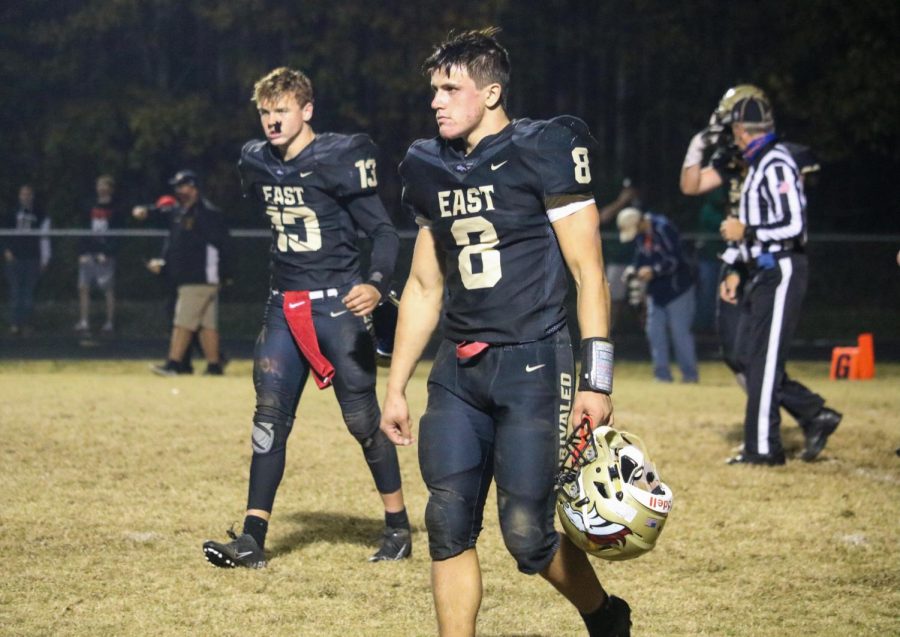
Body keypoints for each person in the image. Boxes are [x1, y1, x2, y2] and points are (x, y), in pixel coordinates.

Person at [380, 29, 631, 637]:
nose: (436, 101)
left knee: (527, 533)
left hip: (534, 364)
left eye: (451, 88)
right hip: (458, 372)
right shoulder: (426, 164)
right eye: (433, 89)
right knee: (446, 523)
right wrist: (396, 386)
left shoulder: (543, 147)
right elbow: (422, 287)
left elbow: (588, 272)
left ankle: (604, 615)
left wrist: (595, 382)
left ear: (491, 93)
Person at [202, 66, 410, 569]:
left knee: (362, 421)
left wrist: (375, 285)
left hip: (338, 304)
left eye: (283, 111)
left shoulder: (341, 157)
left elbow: (384, 233)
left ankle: (398, 526)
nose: (273, 122)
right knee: (268, 420)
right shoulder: (255, 161)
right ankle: (252, 539)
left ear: (307, 110)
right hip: (284, 304)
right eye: (266, 113)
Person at [680, 85, 841, 463]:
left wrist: (745, 234)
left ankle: (764, 448)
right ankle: (793, 426)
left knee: (764, 362)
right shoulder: (756, 162)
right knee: (753, 357)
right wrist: (737, 263)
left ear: (742, 129)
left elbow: (793, 225)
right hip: (758, 267)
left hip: (780, 267)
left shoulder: (776, 162)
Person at [132, 170, 231, 376]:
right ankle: (214, 365)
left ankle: (174, 364)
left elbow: (223, 246)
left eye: (181, 186)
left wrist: (226, 273)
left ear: (193, 187)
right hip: (195, 277)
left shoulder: (206, 214)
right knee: (206, 325)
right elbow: (164, 216)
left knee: (182, 323)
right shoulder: (182, 211)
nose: (177, 190)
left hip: (199, 277)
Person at [617, 207, 699, 383]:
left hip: (678, 290)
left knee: (680, 334)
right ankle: (662, 375)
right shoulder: (640, 235)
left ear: (639, 222)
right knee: (654, 333)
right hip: (656, 292)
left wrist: (654, 270)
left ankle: (690, 375)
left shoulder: (663, 228)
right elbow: (640, 258)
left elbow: (676, 259)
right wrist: (634, 269)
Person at [74, 174, 120, 334]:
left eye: (104, 185)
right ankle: (84, 321)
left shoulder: (115, 208)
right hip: (89, 253)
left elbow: (118, 234)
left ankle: (109, 322)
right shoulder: (90, 205)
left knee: (107, 288)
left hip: (105, 255)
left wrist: (107, 252)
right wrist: (82, 252)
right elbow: (83, 229)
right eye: (99, 185)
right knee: (83, 287)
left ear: (110, 189)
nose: (101, 188)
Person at [3, 184, 51, 335]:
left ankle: (26, 323)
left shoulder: (40, 214)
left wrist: (45, 258)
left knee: (29, 292)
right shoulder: (11, 213)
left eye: (29, 194)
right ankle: (14, 324)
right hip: (15, 257)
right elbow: (3, 234)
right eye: (23, 194)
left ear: (33, 196)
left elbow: (45, 237)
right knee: (16, 291)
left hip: (32, 257)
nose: (26, 197)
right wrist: (6, 251)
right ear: (19, 196)